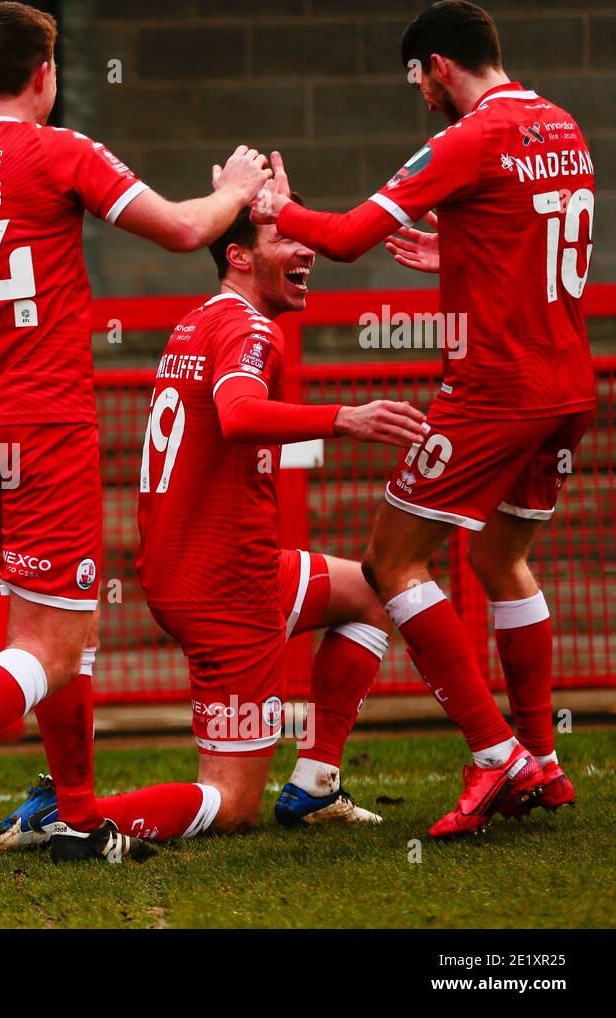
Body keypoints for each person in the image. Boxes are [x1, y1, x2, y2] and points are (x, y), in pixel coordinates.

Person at [0, 1, 272, 883]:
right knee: (55, 644)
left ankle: (74, 816)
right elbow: (185, 229)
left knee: (62, 629)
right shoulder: (56, 150)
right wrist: (240, 188)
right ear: (45, 76)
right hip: (49, 422)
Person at [0, 171, 428, 853]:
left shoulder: (201, 318)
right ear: (239, 256)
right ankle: (73, 816)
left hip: (209, 569)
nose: (305, 249)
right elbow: (240, 413)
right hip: (226, 594)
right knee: (233, 803)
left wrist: (259, 202)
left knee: (370, 592)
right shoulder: (249, 330)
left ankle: (316, 784)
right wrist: (347, 418)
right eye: (284, 236)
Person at [251, 0, 595, 836]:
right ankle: (545, 761)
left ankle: (494, 753)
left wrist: (274, 208)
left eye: (418, 82)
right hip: (568, 386)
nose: (421, 100)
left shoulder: (469, 137)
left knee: (388, 560)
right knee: (502, 557)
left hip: (496, 389)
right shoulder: (562, 123)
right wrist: (465, 249)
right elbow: (534, 239)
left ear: (437, 67)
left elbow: (344, 238)